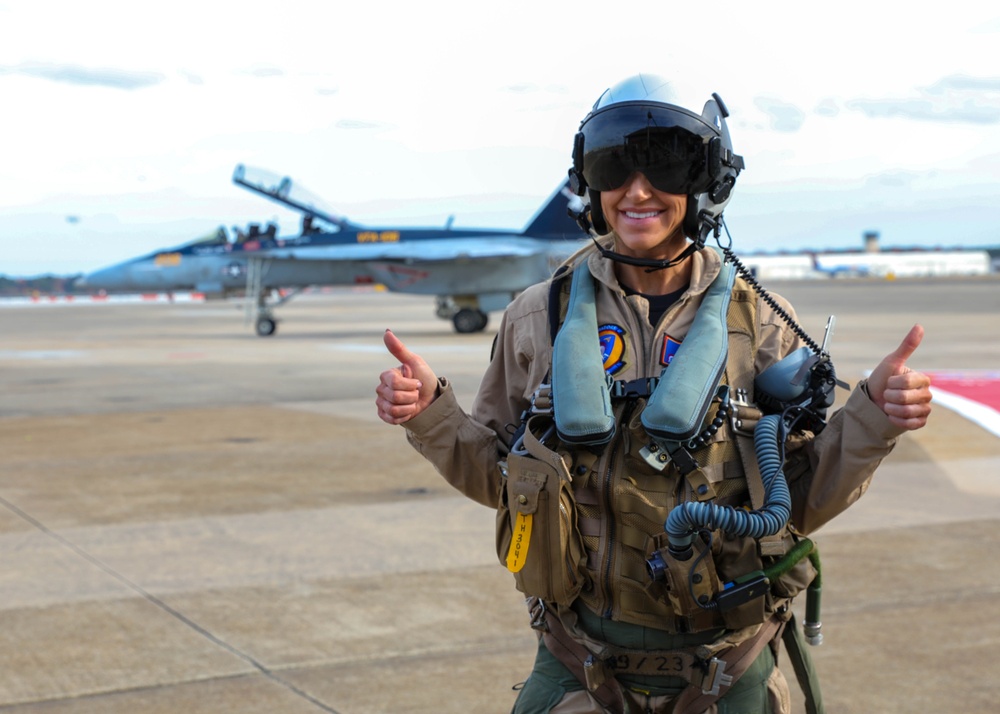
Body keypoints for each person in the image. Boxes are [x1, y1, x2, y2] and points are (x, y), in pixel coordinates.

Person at [375, 74, 932, 714]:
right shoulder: (537, 317)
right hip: (578, 664)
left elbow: (793, 505)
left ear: (707, 182)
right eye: (615, 165)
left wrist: (873, 419)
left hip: (727, 668)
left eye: (665, 165)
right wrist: (430, 415)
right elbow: (504, 482)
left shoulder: (763, 325)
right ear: (590, 181)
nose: (638, 191)